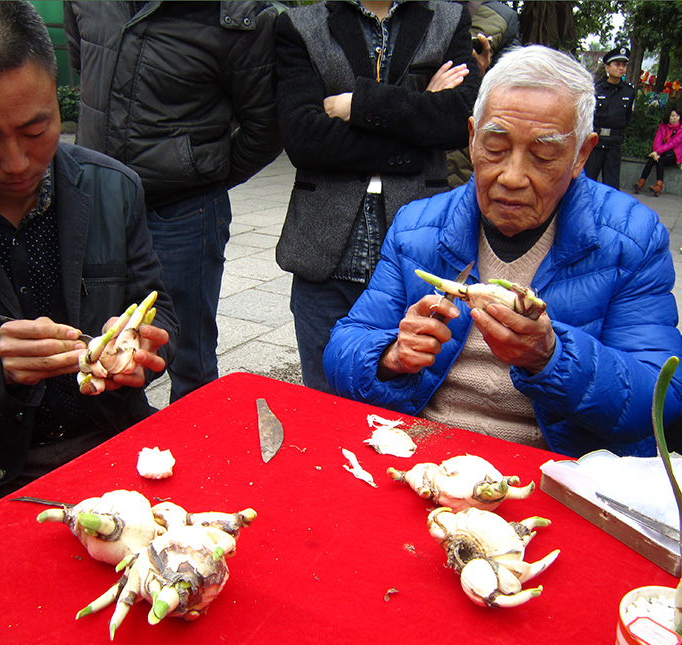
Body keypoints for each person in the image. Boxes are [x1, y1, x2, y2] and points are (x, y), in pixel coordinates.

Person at [323, 45, 682, 459]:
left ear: (581, 154)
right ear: (472, 139)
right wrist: (391, 355)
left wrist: (551, 356)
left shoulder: (630, 238)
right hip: (419, 456)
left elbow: (660, 397)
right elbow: (342, 349)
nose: (512, 177)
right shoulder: (418, 227)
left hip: (558, 473)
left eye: (543, 155)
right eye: (495, 147)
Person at [0, 1, 178, 528]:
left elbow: (163, 312)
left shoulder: (113, 187)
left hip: (112, 441)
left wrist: (141, 344)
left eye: (36, 128)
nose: (17, 162)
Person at [63, 1, 282, 403]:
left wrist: (202, 172)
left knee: (188, 358)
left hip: (183, 209)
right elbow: (86, 69)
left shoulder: (238, 14)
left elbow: (266, 125)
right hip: (96, 203)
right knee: (97, 348)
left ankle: (196, 454)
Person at [274, 0, 480, 393]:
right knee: (322, 401)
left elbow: (458, 120)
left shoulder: (448, 18)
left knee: (411, 398)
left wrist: (355, 104)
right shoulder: (300, 26)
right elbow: (304, 139)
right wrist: (417, 121)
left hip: (420, 251)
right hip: (324, 251)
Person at [447, 0, 521, 188]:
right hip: (422, 134)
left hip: (471, 141)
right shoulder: (420, 8)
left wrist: (483, 74)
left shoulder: (503, 16)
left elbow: (516, 87)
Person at [583, 46, 635, 190]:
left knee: (611, 186)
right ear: (607, 67)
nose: (621, 68)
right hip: (595, 142)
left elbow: (627, 117)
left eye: (624, 65)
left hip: (614, 144)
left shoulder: (629, 92)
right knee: (588, 183)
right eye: (617, 64)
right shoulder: (596, 89)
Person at [633, 105, 682, 197]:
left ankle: (659, 187)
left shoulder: (681, 129)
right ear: (668, 117)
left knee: (660, 160)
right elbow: (657, 140)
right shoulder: (663, 126)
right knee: (652, 159)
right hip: (661, 153)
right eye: (672, 116)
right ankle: (641, 183)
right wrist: (656, 152)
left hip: (673, 155)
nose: (674, 118)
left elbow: (673, 144)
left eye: (677, 116)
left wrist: (656, 152)